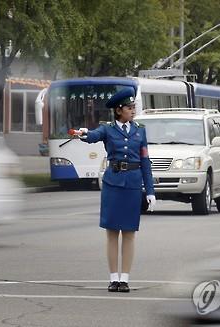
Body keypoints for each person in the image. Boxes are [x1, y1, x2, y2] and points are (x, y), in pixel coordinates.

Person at [75, 87, 156, 293]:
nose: (133, 110)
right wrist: (83, 133)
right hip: (113, 184)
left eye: (133, 106)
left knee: (129, 233)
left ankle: (125, 279)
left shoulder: (140, 130)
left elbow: (145, 161)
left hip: (132, 185)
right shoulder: (108, 129)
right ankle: (113, 278)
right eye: (130, 107)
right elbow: (93, 136)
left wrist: (150, 191)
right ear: (119, 110)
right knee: (112, 233)